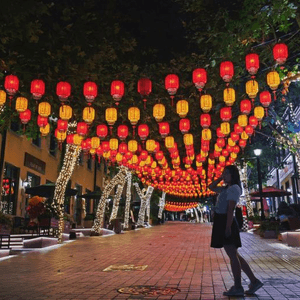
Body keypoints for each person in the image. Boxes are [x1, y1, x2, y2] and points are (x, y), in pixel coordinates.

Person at [208, 165, 263, 297]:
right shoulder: (226, 188)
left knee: (233, 256)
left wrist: (227, 227)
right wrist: (221, 177)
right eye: (223, 173)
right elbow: (210, 187)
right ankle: (254, 281)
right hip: (222, 221)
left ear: (233, 175)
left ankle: (238, 286)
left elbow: (230, 210)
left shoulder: (234, 188)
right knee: (235, 255)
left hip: (226, 222)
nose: (224, 175)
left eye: (227, 173)